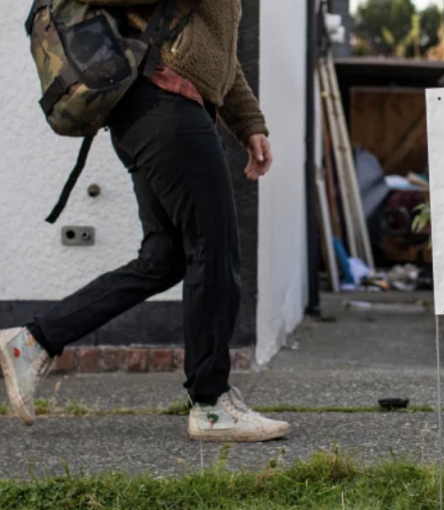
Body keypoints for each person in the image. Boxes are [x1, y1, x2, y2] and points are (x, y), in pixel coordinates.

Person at [0, 0, 289, 443]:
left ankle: (32, 343)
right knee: (214, 248)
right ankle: (211, 405)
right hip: (163, 104)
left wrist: (250, 123)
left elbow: (218, 54)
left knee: (164, 258)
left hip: (162, 111)